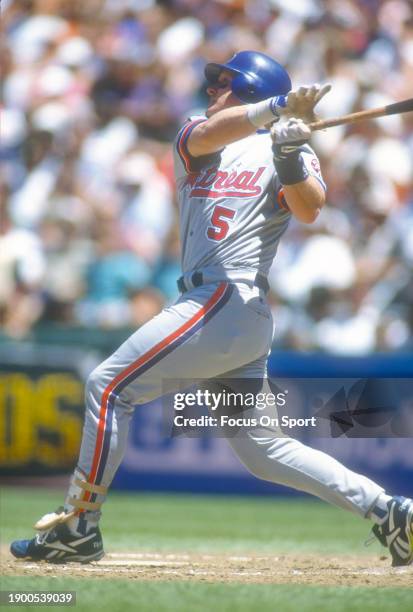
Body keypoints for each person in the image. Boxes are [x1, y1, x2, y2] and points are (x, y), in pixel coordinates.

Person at [10, 51, 412, 567]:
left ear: (248, 87)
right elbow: (205, 136)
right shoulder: (199, 138)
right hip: (217, 310)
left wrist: (288, 151)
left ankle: (78, 524)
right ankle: (388, 511)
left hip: (228, 299)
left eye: (224, 83)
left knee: (107, 387)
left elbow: (310, 208)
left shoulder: (286, 148)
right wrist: (277, 109)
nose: (210, 91)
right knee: (264, 450)